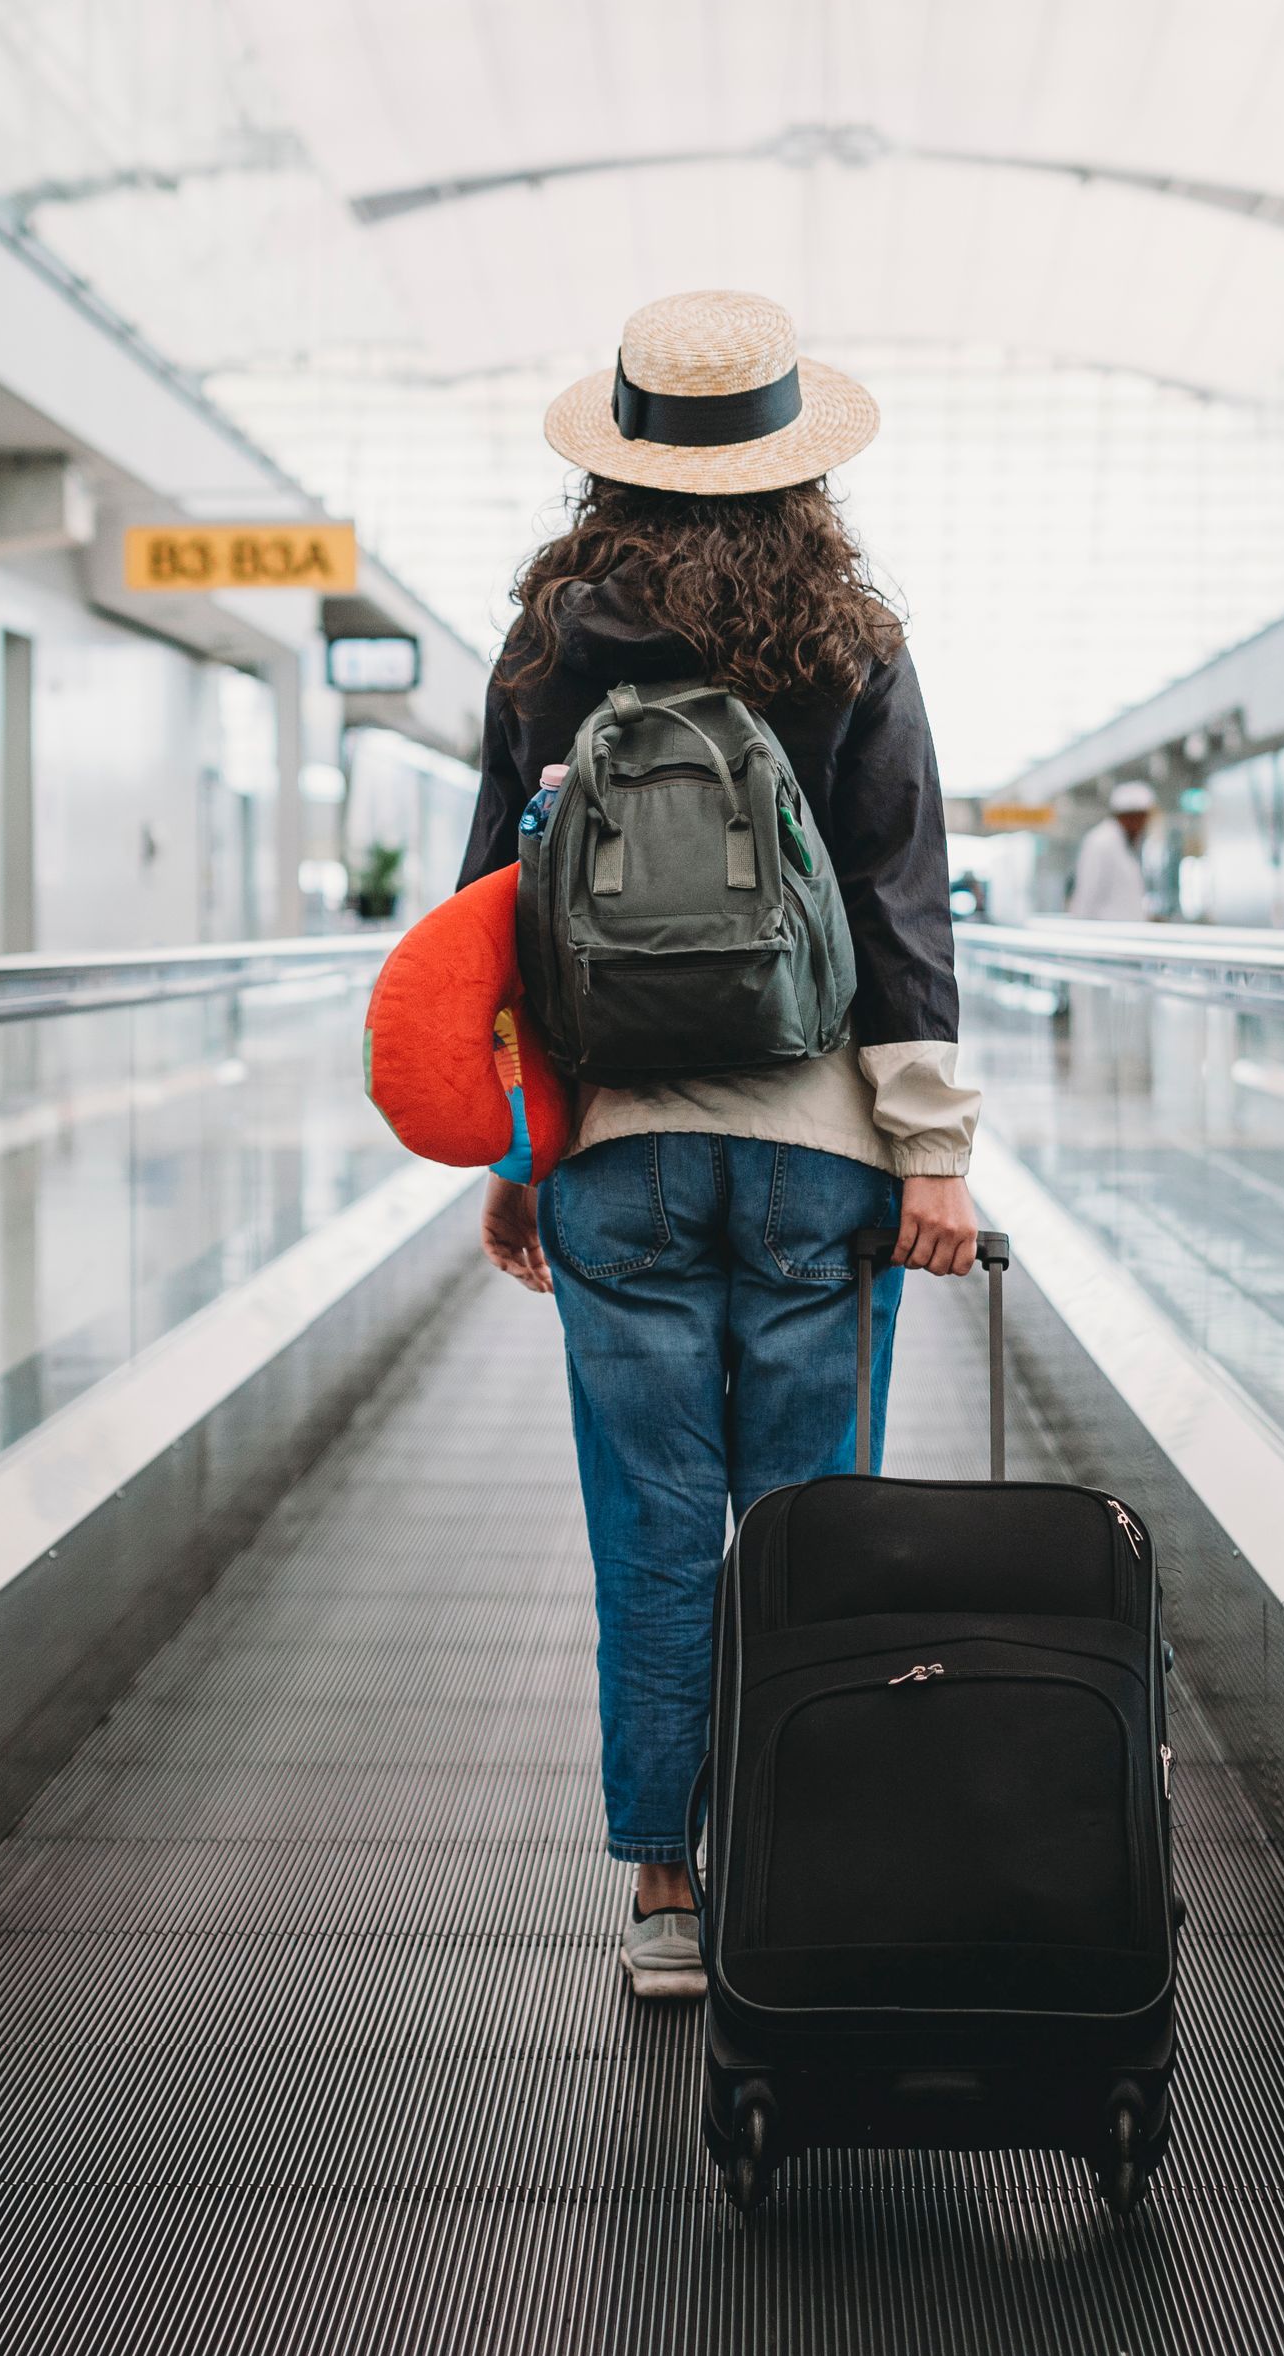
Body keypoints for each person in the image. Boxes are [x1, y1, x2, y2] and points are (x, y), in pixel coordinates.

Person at [462, 289, 980, 2004]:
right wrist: (932, 1155)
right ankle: (806, 1859)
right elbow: (905, 909)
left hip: (614, 1156)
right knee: (806, 1524)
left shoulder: (546, 652)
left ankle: (669, 1894)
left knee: (652, 1521)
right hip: (821, 1161)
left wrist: (517, 1150)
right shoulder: (847, 644)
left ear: (615, 466)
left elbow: (494, 928)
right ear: (793, 467)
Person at [1069, 782, 1157, 921]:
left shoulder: (1123, 844)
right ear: (1129, 817)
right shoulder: (1101, 842)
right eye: (1142, 818)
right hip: (1106, 936)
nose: (1143, 825)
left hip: (1121, 935)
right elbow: (1087, 896)